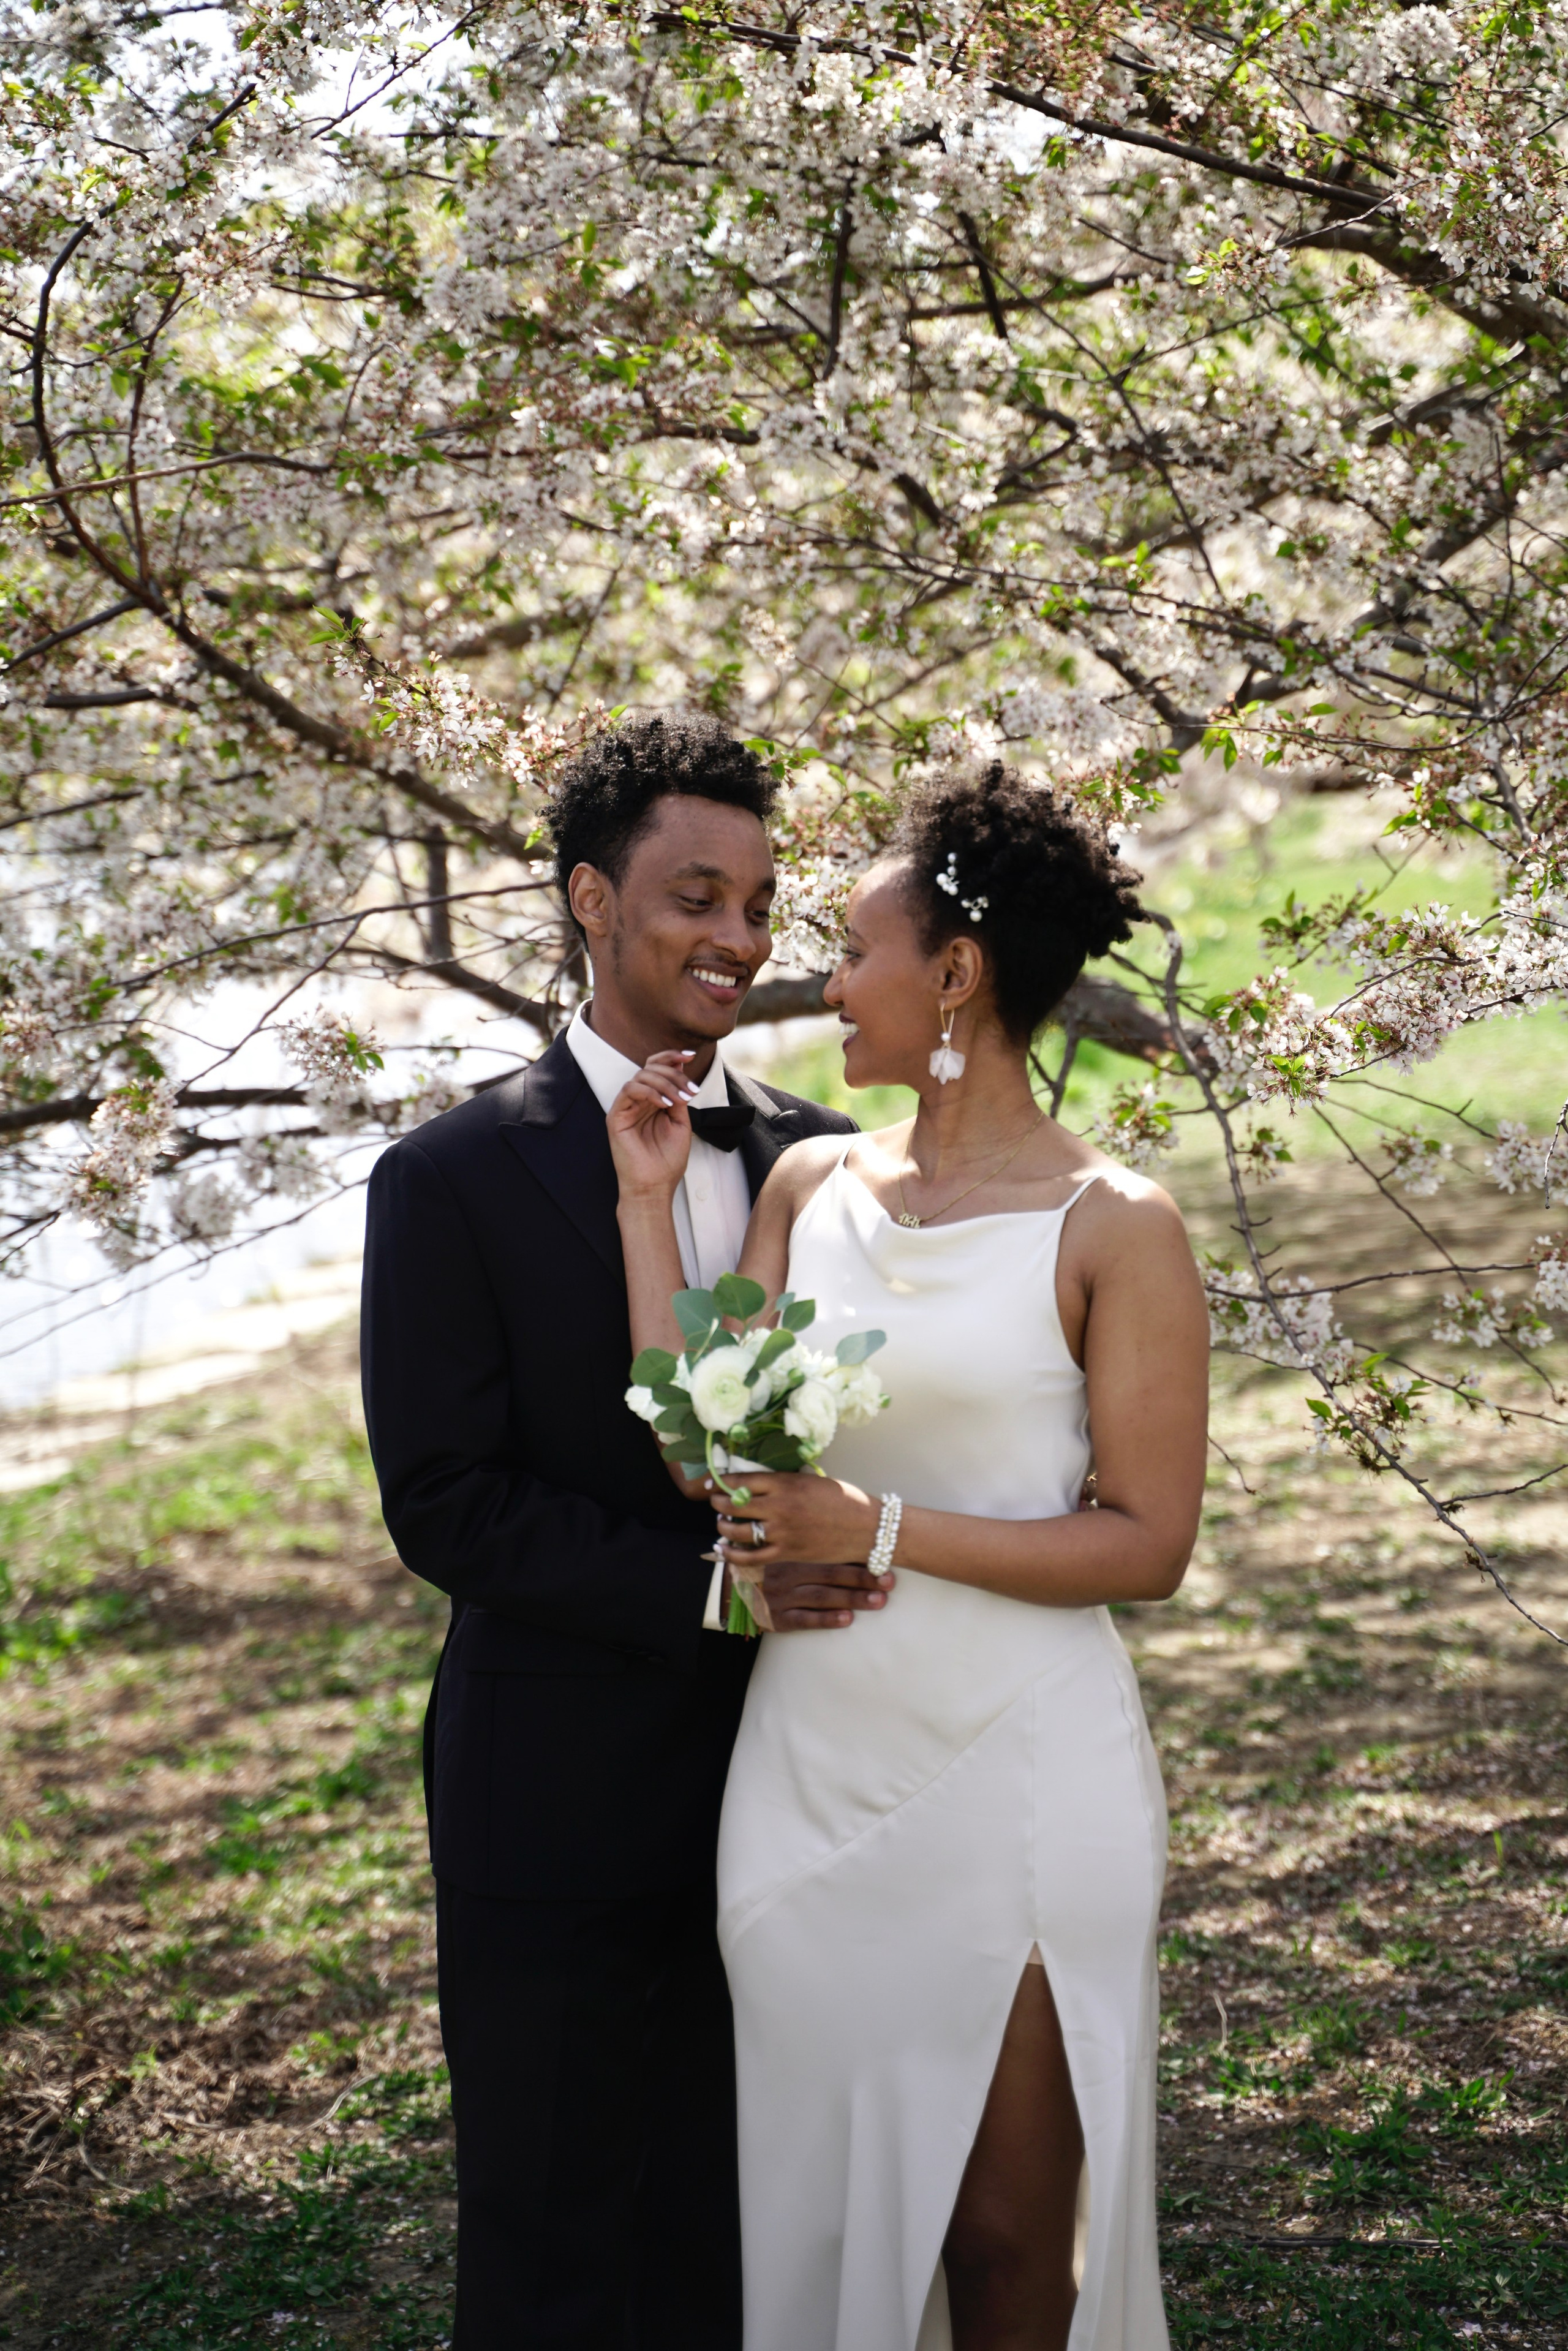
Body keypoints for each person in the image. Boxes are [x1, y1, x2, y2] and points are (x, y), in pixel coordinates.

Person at [609, 759, 1210, 2351]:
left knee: (1009, 2239)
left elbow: (1148, 1545)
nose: (826, 981)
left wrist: (874, 1524)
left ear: (954, 976)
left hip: (1015, 1769)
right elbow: (702, 1453)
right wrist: (643, 1207)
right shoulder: (812, 1187)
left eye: (855, 949)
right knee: (818, 2207)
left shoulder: (1116, 1223)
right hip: (809, 1772)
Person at [359, 711, 869, 2351]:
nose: (734, 939)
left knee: (759, 2208)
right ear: (591, 899)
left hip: (803, 1777)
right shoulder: (446, 1176)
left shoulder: (816, 1157)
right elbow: (444, 1501)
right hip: (552, 1795)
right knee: (554, 2223)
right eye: (693, 898)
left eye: (760, 907)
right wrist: (717, 1592)